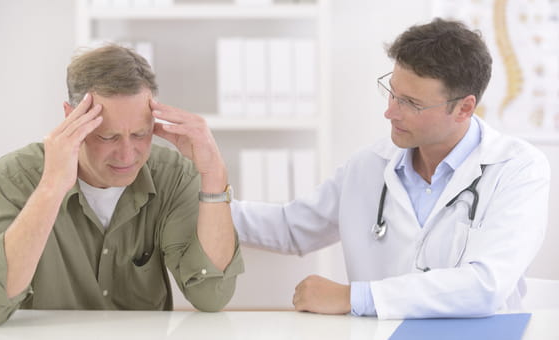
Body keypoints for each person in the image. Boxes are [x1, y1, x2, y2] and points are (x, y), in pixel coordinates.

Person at [231, 18, 550, 319]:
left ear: (464, 108)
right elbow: (291, 228)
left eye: (411, 103)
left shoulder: (518, 169)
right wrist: (202, 201)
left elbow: (485, 286)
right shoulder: (368, 165)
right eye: (392, 93)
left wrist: (354, 298)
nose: (390, 113)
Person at [0, 44, 243, 327]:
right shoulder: (13, 178)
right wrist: (51, 188)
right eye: (108, 137)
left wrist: (214, 175)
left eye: (140, 134)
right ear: (71, 116)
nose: (127, 155)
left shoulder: (173, 176)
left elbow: (211, 295)